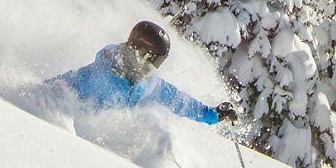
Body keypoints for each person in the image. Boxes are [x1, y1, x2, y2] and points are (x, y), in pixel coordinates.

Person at [50, 21, 237, 125]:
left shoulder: (148, 81)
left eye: (159, 61)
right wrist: (41, 93)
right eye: (154, 60)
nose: (155, 67)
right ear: (140, 52)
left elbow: (177, 99)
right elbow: (67, 83)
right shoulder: (102, 73)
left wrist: (212, 114)